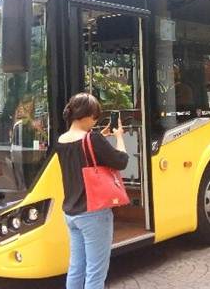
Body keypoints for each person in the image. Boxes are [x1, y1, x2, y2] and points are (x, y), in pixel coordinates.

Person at [56, 93, 129, 289]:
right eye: (95, 116)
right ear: (87, 115)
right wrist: (119, 137)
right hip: (93, 214)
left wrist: (101, 137)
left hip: (71, 213)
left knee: (76, 268)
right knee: (96, 272)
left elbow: (81, 153)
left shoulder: (61, 140)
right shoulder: (92, 139)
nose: (95, 121)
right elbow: (121, 161)